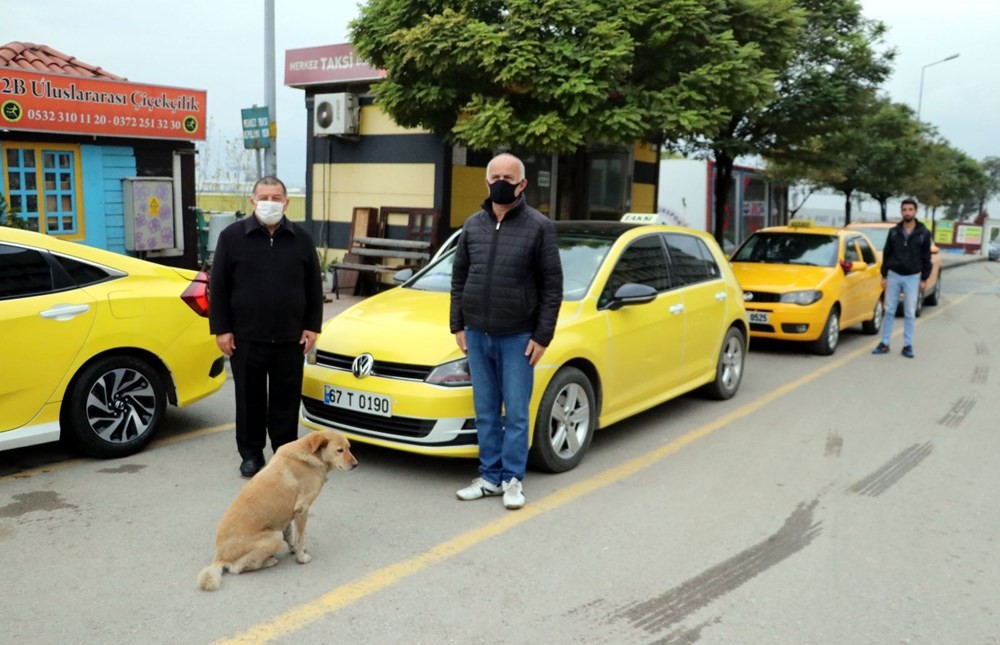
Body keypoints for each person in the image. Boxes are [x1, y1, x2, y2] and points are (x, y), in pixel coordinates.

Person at [449, 153, 563, 510]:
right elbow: (459, 277)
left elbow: (552, 286)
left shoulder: (539, 226)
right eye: (495, 175)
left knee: (515, 413)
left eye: (508, 177)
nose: (501, 181)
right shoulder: (473, 225)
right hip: (478, 334)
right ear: (486, 182)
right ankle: (489, 477)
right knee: (485, 411)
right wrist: (458, 325)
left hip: (517, 338)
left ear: (522, 184)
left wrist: (542, 336)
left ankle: (513, 479)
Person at [209, 176, 324, 477]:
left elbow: (313, 285)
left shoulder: (301, 238)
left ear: (286, 202)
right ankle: (250, 453)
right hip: (246, 337)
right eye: (264, 197)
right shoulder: (232, 237)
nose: (270, 203)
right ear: (252, 201)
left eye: (276, 198)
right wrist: (222, 328)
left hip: (290, 337)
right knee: (249, 399)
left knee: (286, 399)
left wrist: (312, 326)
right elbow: (218, 286)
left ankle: (285, 452)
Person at [872, 197, 932, 359]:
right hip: (894, 275)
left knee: (909, 312)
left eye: (910, 209)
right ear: (901, 212)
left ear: (915, 211)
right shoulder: (894, 232)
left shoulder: (923, 233)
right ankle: (884, 343)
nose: (907, 212)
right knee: (889, 309)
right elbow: (887, 253)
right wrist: (884, 275)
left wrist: (924, 278)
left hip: (913, 277)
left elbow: (926, 257)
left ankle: (907, 345)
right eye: (904, 210)